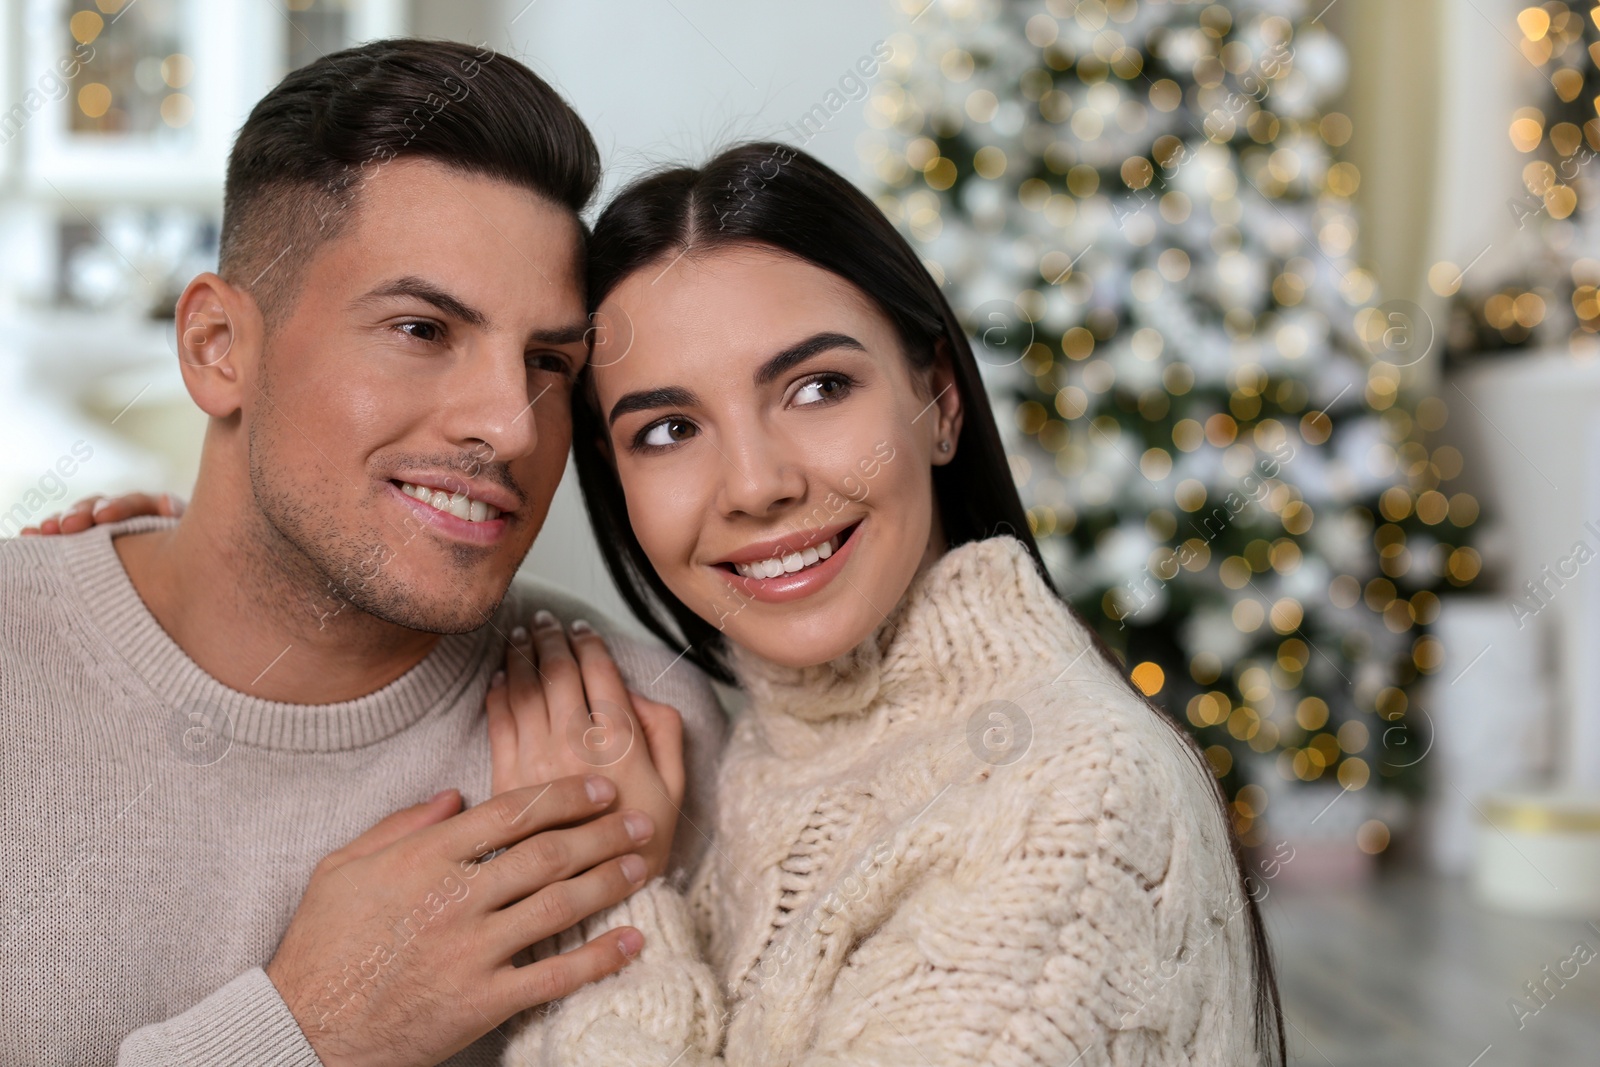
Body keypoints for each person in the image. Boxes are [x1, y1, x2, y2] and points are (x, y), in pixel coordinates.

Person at [366, 142, 1290, 1064]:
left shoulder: (1071, 798)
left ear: (938, 399)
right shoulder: (746, 761)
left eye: (817, 388)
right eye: (670, 429)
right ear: (616, 475)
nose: (756, 484)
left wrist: (607, 893)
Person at [0, 39, 726, 1067]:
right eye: (423, 328)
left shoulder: (645, 739)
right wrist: (308, 1030)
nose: (510, 427)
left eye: (549, 363)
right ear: (218, 346)